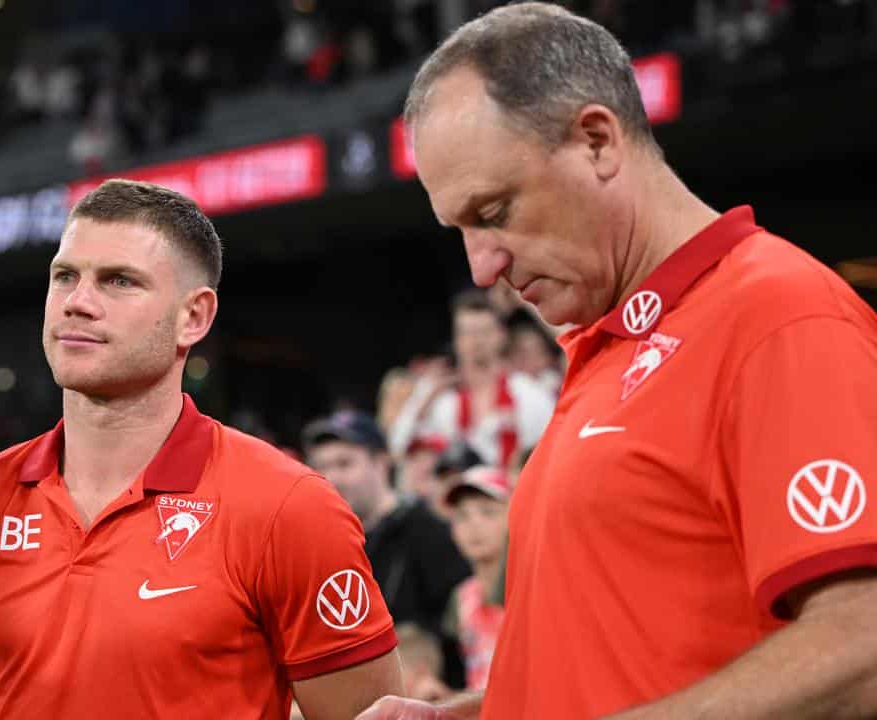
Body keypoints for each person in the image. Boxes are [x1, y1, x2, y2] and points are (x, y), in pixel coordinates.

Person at [361, 3, 877, 719]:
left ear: (598, 140)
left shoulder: (778, 316)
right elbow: (625, 665)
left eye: (494, 211)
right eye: (461, 229)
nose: (482, 266)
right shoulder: (611, 347)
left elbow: (863, 649)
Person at [0, 179, 402, 719]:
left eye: (119, 281)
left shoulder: (289, 507)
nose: (78, 302)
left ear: (193, 317)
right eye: (65, 276)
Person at [303, 411, 471, 688]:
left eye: (345, 463)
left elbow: (461, 629)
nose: (332, 477)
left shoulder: (427, 531)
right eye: (321, 466)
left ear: (381, 463)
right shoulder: (318, 541)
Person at [387, 289, 555, 469]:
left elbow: (551, 451)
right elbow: (397, 448)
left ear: (502, 335)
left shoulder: (528, 394)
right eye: (467, 332)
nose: (476, 341)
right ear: (456, 340)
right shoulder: (444, 400)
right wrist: (423, 402)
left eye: (484, 331)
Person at [441, 466, 510, 692]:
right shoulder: (460, 597)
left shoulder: (533, 590)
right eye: (462, 516)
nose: (474, 524)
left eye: (488, 512)